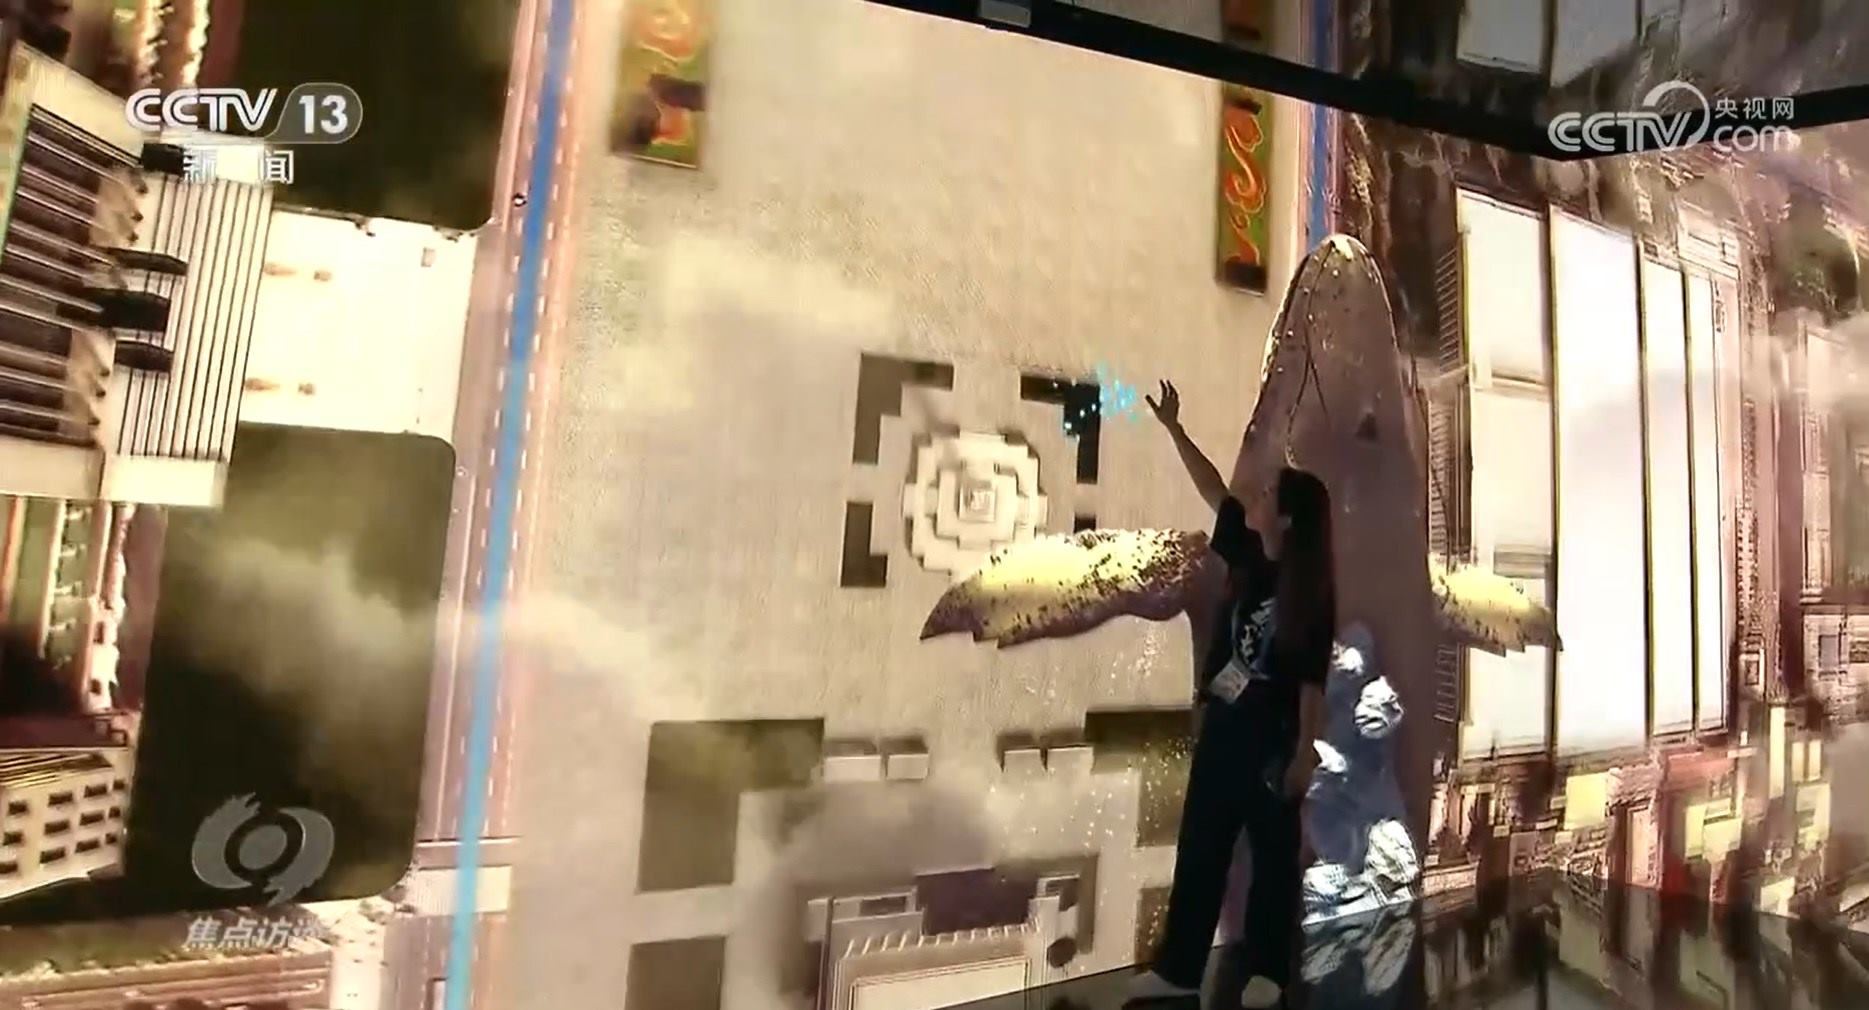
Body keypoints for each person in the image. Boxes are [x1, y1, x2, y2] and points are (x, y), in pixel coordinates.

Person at [1128, 380, 1335, 1009]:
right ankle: (1180, 969)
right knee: (1201, 848)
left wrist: (1304, 752)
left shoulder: (1310, 589)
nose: (1258, 498)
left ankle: (1269, 970)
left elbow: (1311, 680)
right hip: (1225, 727)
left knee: (1273, 857)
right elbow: (1213, 488)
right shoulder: (1246, 551)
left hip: (1272, 740)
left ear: (1289, 518)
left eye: (1271, 496)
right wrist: (1174, 429)